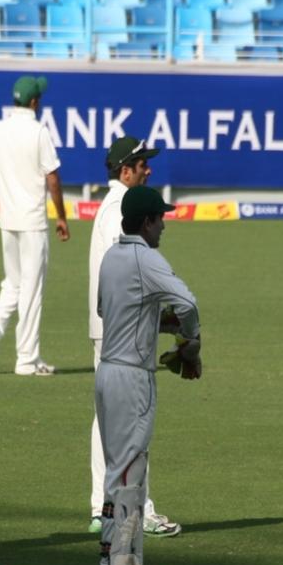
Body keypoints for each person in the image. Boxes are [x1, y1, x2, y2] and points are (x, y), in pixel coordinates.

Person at [94, 186, 201, 565]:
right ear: (145, 223)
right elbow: (189, 303)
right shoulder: (146, 258)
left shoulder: (111, 258)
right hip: (133, 379)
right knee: (130, 480)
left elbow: (110, 311)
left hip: (106, 374)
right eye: (160, 218)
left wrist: (158, 322)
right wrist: (190, 345)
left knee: (115, 477)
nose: (164, 225)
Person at [87, 136, 180, 539]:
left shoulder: (108, 208)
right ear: (126, 169)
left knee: (107, 424)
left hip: (109, 331)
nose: (149, 170)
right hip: (123, 337)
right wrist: (164, 319)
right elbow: (127, 276)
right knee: (133, 428)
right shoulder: (118, 212)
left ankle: (101, 506)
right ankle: (138, 510)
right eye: (142, 163)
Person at [0, 75, 70, 376]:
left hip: (7, 220)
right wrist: (61, 216)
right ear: (34, 102)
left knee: (14, 283)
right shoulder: (38, 131)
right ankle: (27, 360)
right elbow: (53, 178)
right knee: (31, 289)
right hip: (32, 222)